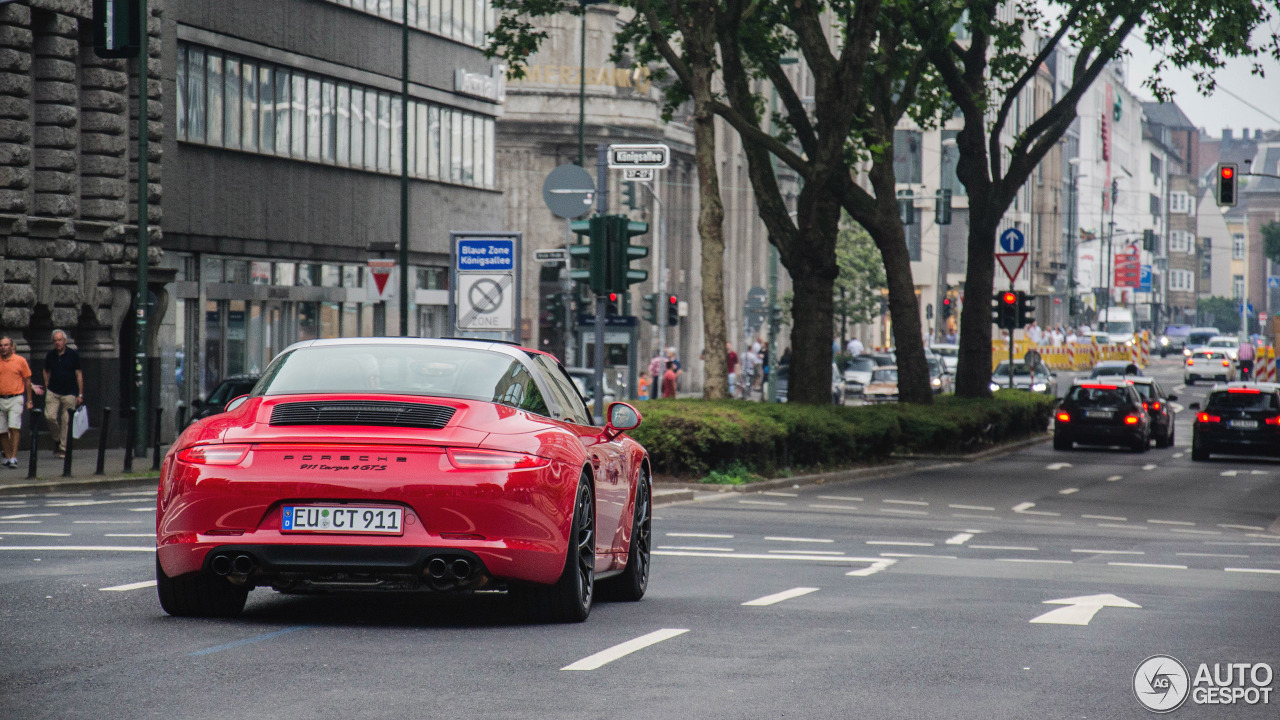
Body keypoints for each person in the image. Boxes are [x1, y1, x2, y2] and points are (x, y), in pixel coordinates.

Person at [43, 329, 83, 458]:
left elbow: (79, 374)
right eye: (55, 341)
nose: (57, 343)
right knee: (50, 416)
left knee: (66, 420)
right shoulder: (51, 355)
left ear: (65, 341)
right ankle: (57, 438)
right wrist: (47, 383)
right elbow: (45, 370)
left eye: (59, 340)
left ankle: (63, 448)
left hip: (69, 391)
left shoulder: (73, 354)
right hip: (53, 390)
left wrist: (80, 394)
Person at [0, 336, 33, 468]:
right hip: (1, 398)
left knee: (14, 428)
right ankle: (7, 457)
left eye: (6, 345)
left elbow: (27, 380)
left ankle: (13, 457)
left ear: (11, 346)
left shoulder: (20, 361)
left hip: (16, 397)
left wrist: (29, 400)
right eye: (1, 345)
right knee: (2, 430)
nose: (3, 348)